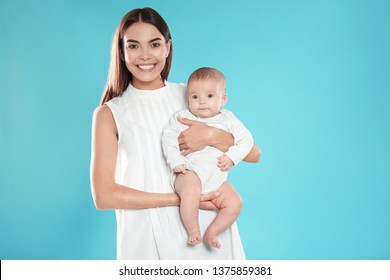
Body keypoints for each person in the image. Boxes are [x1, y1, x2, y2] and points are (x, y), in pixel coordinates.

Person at [90, 7, 261, 260]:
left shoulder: (191, 96)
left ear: (167, 48)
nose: (145, 55)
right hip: (148, 232)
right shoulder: (110, 113)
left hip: (207, 232)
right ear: (121, 52)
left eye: (155, 44)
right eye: (134, 46)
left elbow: (254, 154)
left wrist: (211, 135)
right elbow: (104, 196)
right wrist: (183, 199)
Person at [162, 67, 255, 249]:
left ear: (223, 98)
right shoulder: (182, 117)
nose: (202, 101)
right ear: (188, 98)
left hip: (218, 178)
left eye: (210, 96)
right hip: (190, 170)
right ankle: (193, 229)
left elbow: (247, 140)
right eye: (195, 97)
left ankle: (213, 231)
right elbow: (168, 137)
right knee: (190, 192)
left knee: (235, 203)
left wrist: (232, 156)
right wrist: (176, 160)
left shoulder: (228, 119)